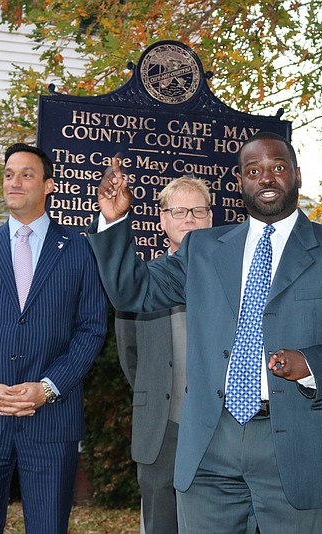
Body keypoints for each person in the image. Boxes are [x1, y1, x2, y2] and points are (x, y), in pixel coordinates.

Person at [88, 132, 322, 533]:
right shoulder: (204, 249)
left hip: (296, 447)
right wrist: (114, 221)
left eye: (277, 168)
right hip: (210, 445)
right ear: (240, 181)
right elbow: (132, 291)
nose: (266, 178)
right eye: (253, 170)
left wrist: (311, 363)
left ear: (297, 175)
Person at [0, 143, 108, 534]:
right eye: (9, 174)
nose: (15, 182)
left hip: (52, 419)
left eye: (27, 174)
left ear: (49, 185)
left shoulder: (80, 250)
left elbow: (92, 328)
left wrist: (48, 388)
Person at [115, 176, 213, 534]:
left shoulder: (233, 282)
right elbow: (131, 356)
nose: (189, 218)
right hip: (161, 426)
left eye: (198, 211)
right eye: (179, 211)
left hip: (220, 430)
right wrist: (157, 390)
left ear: (210, 218)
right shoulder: (142, 280)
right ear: (162, 220)